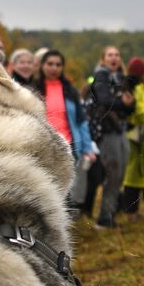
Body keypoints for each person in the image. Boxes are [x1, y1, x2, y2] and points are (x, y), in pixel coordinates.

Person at [31, 51, 97, 199]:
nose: (54, 68)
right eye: (50, 64)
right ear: (42, 65)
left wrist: (87, 148)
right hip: (41, 147)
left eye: (58, 64)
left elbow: (81, 121)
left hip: (68, 146)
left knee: (65, 192)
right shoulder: (33, 88)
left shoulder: (70, 90)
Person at [85, 45, 134, 228]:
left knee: (120, 174)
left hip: (120, 130)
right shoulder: (101, 76)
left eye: (117, 55)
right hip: (106, 131)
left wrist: (127, 104)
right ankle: (105, 217)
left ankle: (110, 213)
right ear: (103, 59)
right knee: (113, 174)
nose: (114, 58)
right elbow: (104, 99)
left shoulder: (120, 78)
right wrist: (124, 103)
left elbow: (130, 106)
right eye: (110, 55)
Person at [120, 57, 144, 221]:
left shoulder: (136, 87)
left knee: (137, 173)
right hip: (137, 134)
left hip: (138, 133)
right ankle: (130, 212)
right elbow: (143, 110)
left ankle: (133, 211)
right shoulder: (136, 88)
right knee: (133, 174)